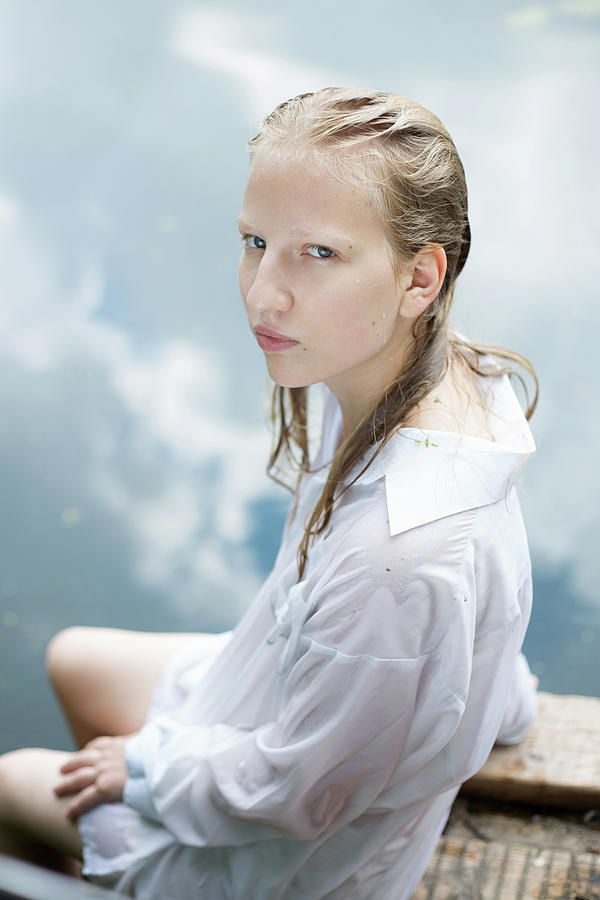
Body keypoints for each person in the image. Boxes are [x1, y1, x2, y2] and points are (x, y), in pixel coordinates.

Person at [0, 87, 540, 898]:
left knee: (11, 782)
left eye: (318, 253)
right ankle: (113, 860)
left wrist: (145, 770)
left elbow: (295, 793)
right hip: (283, 689)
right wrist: (504, 704)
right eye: (256, 241)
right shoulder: (426, 363)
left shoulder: (395, 561)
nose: (263, 294)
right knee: (73, 658)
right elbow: (483, 610)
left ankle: (132, 866)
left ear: (420, 276)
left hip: (293, 859)